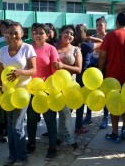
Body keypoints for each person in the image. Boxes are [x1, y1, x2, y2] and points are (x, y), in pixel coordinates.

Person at [0, 21, 37, 166]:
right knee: (10, 126)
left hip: (22, 93)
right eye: (10, 32)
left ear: (22, 33)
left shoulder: (28, 48)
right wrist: (1, 90)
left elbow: (34, 70)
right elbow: (1, 72)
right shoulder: (3, 50)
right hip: (7, 94)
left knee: (17, 126)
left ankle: (22, 157)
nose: (13, 35)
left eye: (16, 32)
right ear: (6, 34)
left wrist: (20, 72)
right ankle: (12, 155)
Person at [98, 12, 125, 143]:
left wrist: (99, 72)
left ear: (117, 22)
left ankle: (115, 132)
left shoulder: (110, 35)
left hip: (112, 76)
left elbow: (102, 56)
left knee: (114, 103)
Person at [26, 23, 59, 161]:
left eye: (41, 33)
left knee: (50, 120)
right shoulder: (28, 48)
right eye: (35, 32)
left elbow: (55, 73)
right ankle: (31, 143)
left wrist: (53, 90)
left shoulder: (51, 49)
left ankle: (52, 147)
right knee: (31, 119)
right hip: (30, 90)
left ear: (47, 35)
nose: (38, 35)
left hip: (46, 91)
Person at [52, 24, 82, 155]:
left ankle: (60, 139)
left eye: (71, 34)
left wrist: (63, 65)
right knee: (63, 114)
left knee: (66, 114)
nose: (68, 35)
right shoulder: (53, 48)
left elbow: (79, 69)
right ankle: (70, 142)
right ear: (61, 33)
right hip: (55, 86)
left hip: (70, 86)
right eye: (66, 32)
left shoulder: (76, 50)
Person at [74, 23, 102, 134]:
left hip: (76, 74)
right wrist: (91, 38)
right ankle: (78, 126)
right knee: (82, 101)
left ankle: (75, 124)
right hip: (86, 76)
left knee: (77, 100)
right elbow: (101, 42)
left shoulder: (74, 44)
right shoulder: (86, 45)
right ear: (84, 33)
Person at [83, 16, 109, 129]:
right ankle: (88, 115)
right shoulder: (92, 37)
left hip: (105, 68)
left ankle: (105, 117)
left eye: (101, 25)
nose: (99, 27)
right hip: (92, 69)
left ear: (105, 26)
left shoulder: (108, 37)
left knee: (105, 92)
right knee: (90, 90)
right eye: (97, 25)